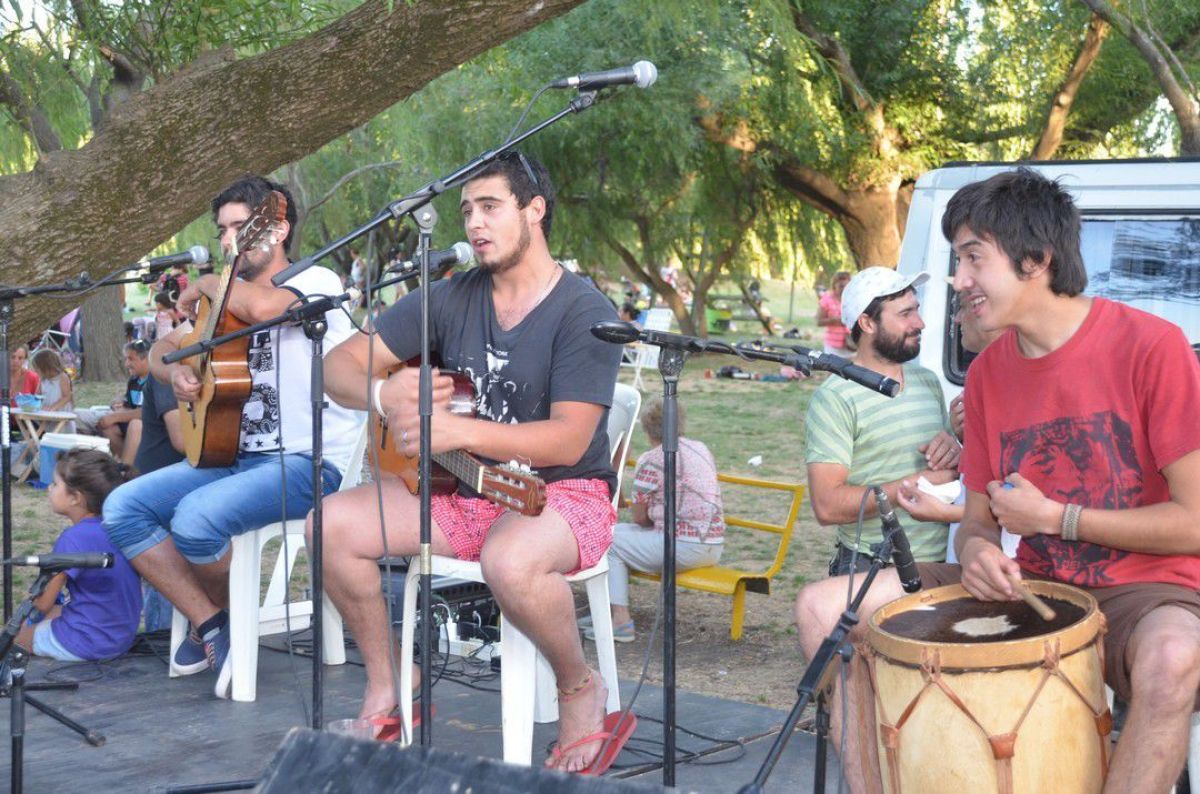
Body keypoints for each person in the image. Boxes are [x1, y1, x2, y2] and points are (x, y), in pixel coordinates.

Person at [795, 167, 1200, 793]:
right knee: (822, 609)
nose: (958, 279)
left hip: (1142, 593)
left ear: (1035, 259)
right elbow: (978, 522)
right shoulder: (986, 375)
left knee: (1176, 657)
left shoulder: (1153, 347)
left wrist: (1060, 519)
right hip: (1024, 584)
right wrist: (980, 551)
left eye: (972, 258)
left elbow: (1194, 522)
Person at [319, 150, 629, 773]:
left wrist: (455, 429)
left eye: (490, 207)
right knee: (328, 526)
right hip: (459, 489)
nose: (475, 224)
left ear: (534, 210)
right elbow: (337, 367)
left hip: (562, 496)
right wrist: (384, 395)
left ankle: (578, 686)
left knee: (509, 560)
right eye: (466, 211)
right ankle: (389, 682)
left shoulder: (584, 310)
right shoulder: (448, 297)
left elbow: (570, 440)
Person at [102, 175, 362, 697]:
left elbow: (267, 310)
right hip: (233, 459)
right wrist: (174, 370)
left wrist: (206, 284)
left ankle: (222, 623)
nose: (229, 240)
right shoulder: (221, 302)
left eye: (241, 226)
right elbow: (163, 350)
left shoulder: (316, 280)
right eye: (223, 229)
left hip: (308, 464)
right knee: (122, 508)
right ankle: (215, 622)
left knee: (194, 520)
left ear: (278, 228)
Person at [804, 266, 960, 576]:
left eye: (916, 310)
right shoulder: (835, 397)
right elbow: (827, 506)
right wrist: (914, 486)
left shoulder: (927, 381)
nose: (920, 323)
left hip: (944, 565)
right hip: (874, 567)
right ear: (867, 323)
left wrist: (955, 447)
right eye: (905, 314)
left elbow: (947, 470)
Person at [587, 399, 722, 643]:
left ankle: (620, 621)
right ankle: (604, 611)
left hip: (681, 546)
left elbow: (640, 518)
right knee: (614, 533)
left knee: (608, 540)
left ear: (647, 428)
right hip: (713, 545)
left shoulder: (652, 459)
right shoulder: (700, 448)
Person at [14, 449, 141, 662]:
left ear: (75, 498)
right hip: (120, 637)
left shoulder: (72, 539)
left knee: (15, 636)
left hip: (87, 643)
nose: (49, 489)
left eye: (55, 484)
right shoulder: (119, 528)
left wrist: (28, 607)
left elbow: (43, 604)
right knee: (53, 612)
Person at [76, 341, 151, 461]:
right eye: (126, 359)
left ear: (146, 359)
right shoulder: (134, 381)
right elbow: (129, 404)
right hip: (127, 421)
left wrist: (115, 417)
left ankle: (127, 466)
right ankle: (123, 463)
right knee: (107, 428)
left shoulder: (155, 381)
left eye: (131, 359)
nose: (127, 364)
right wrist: (119, 402)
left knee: (92, 420)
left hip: (145, 426)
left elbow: (147, 411)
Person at [816, 270, 853, 356]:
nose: (844, 289)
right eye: (841, 286)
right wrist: (834, 320)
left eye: (847, 286)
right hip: (832, 347)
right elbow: (819, 322)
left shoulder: (853, 299)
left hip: (851, 344)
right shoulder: (827, 299)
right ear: (834, 285)